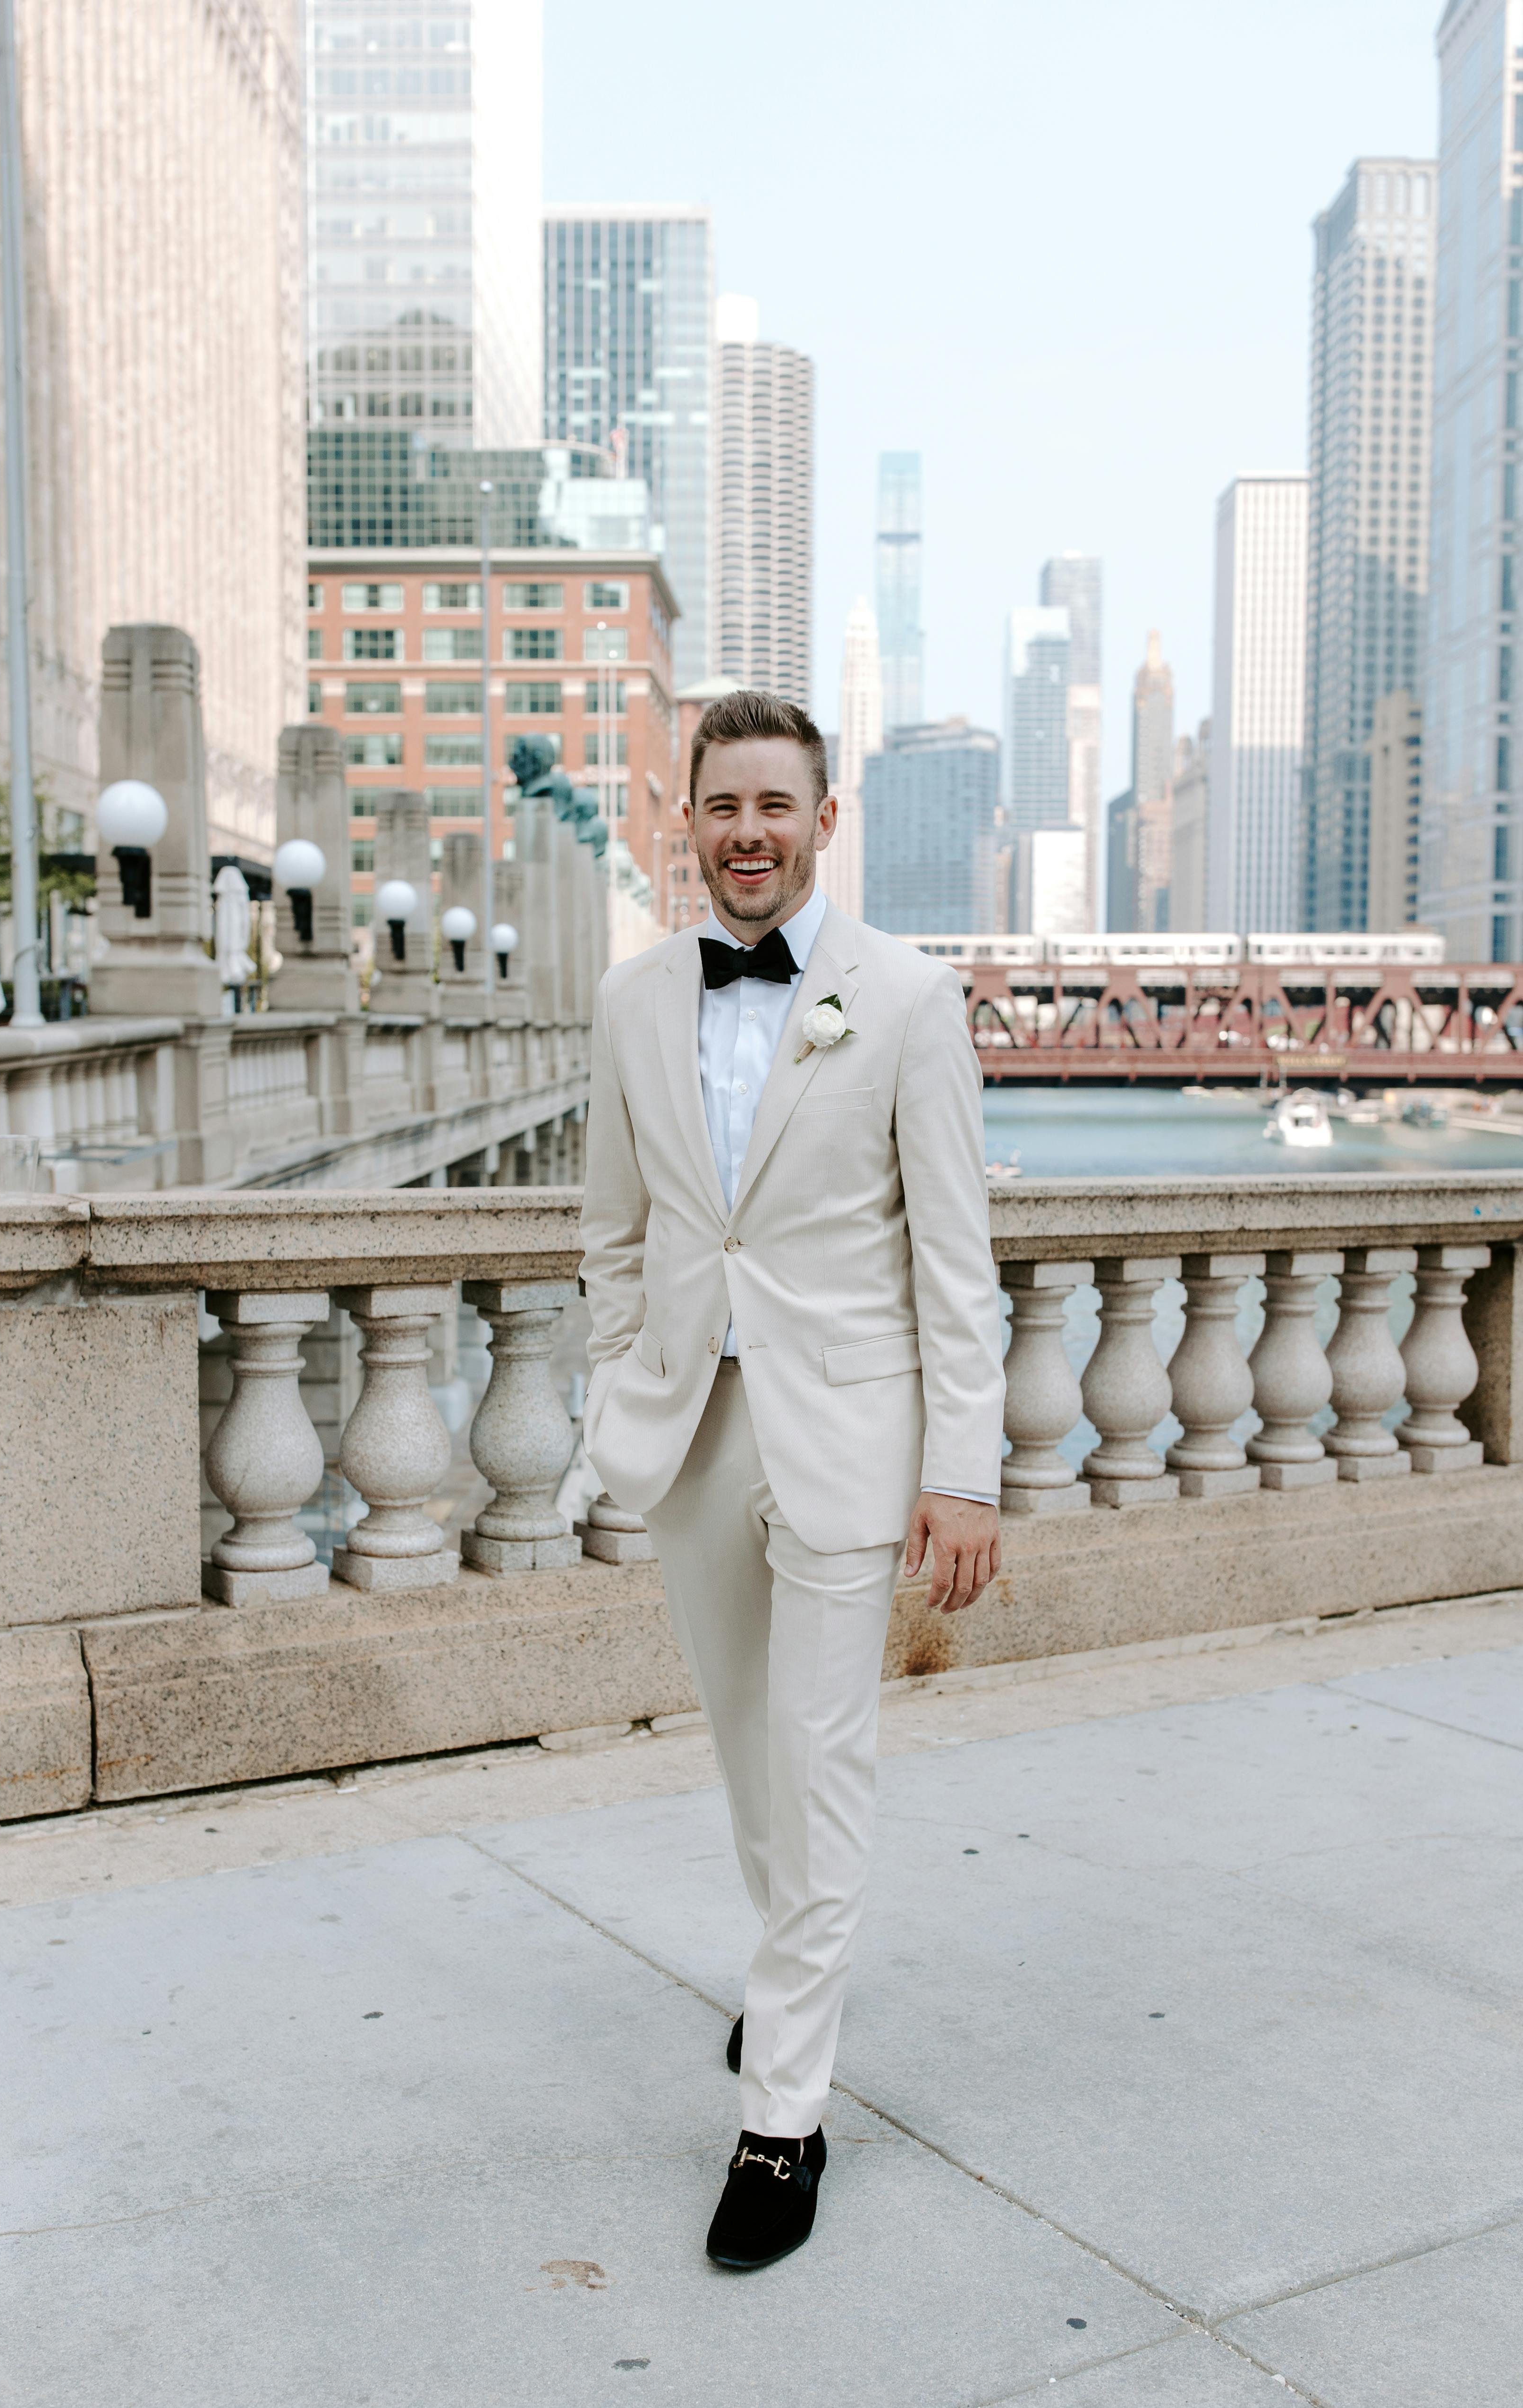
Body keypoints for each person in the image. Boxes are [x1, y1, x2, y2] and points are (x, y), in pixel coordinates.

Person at [579, 688, 1005, 2270]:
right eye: (722, 805)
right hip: (693, 1429)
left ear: (824, 821)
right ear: (685, 821)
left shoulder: (911, 998)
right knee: (751, 1755)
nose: (747, 832)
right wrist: (623, 1374)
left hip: (850, 1434)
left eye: (776, 804)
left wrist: (963, 1470)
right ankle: (791, 1983)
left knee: (820, 1765)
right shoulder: (630, 1001)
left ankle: (783, 2121)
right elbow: (613, 1231)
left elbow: (956, 1260)